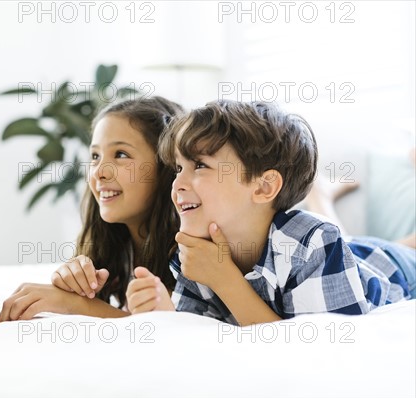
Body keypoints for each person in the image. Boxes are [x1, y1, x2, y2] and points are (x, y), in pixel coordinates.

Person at [125, 100, 415, 326]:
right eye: (178, 168)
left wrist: (225, 280)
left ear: (264, 188)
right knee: (347, 239)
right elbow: (201, 335)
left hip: (392, 267)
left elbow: (312, 353)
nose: (177, 183)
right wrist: (166, 312)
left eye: (199, 165)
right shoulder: (197, 254)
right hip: (346, 246)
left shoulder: (312, 244)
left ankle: (322, 194)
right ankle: (322, 194)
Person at [0, 96, 183, 322]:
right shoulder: (116, 247)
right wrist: (73, 285)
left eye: (121, 154)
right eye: (95, 156)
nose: (99, 172)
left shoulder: (187, 252)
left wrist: (72, 304)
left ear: (166, 167)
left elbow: (176, 327)